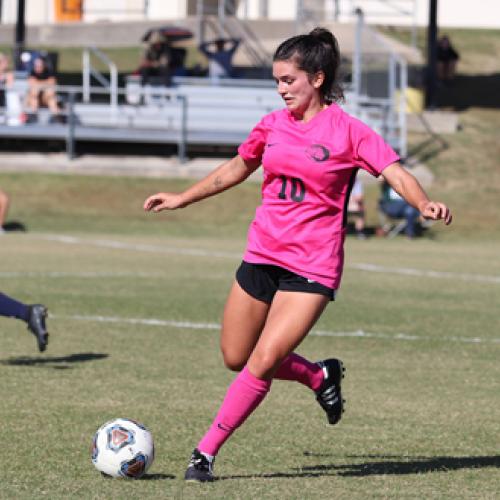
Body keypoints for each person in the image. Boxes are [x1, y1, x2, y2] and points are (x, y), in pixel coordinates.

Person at [144, 27, 452, 482]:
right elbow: (237, 167)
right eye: (278, 80)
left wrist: (423, 203)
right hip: (262, 252)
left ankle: (203, 454)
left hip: (312, 266)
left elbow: (395, 171)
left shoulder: (349, 132)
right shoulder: (271, 125)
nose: (281, 88)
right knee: (236, 355)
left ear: (318, 78)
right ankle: (317, 376)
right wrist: (182, 197)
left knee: (263, 361)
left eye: (289, 79)